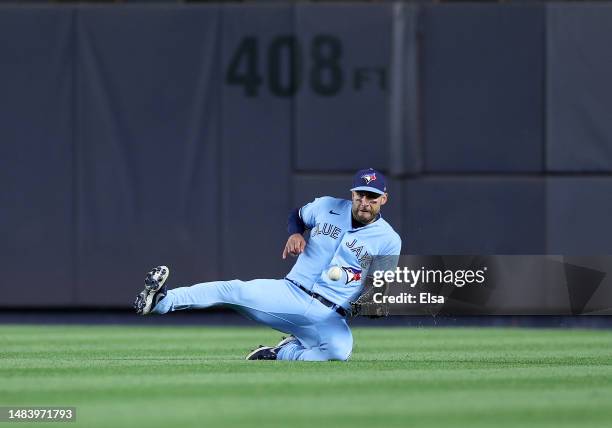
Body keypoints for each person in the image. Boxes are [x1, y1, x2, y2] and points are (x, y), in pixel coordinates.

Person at [133, 168, 402, 361]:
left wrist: (372, 305)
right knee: (233, 291)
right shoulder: (327, 206)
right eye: (360, 195)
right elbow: (297, 216)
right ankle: (161, 301)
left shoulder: (388, 240)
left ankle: (282, 352)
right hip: (291, 294)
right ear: (352, 194)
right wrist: (295, 233)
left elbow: (379, 286)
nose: (364, 202)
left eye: (372, 197)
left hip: (329, 316)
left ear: (383, 199)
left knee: (337, 354)